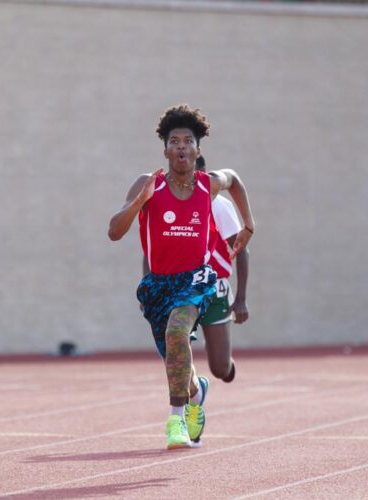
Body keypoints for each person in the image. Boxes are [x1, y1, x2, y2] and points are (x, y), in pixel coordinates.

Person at [108, 104, 255, 450]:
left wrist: (249, 223)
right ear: (165, 149)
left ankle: (176, 420)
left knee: (177, 331)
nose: (181, 146)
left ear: (197, 149)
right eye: (174, 141)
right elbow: (114, 232)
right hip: (159, 285)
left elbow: (234, 178)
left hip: (197, 280)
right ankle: (195, 391)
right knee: (176, 356)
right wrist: (137, 204)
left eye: (188, 140)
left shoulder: (208, 185)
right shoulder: (149, 184)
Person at [195, 155, 249, 384]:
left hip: (215, 290)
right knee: (176, 355)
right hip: (181, 289)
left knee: (220, 369)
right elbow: (153, 249)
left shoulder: (218, 205)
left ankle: (220, 349)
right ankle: (187, 402)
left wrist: (241, 298)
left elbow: (241, 249)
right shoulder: (170, 200)